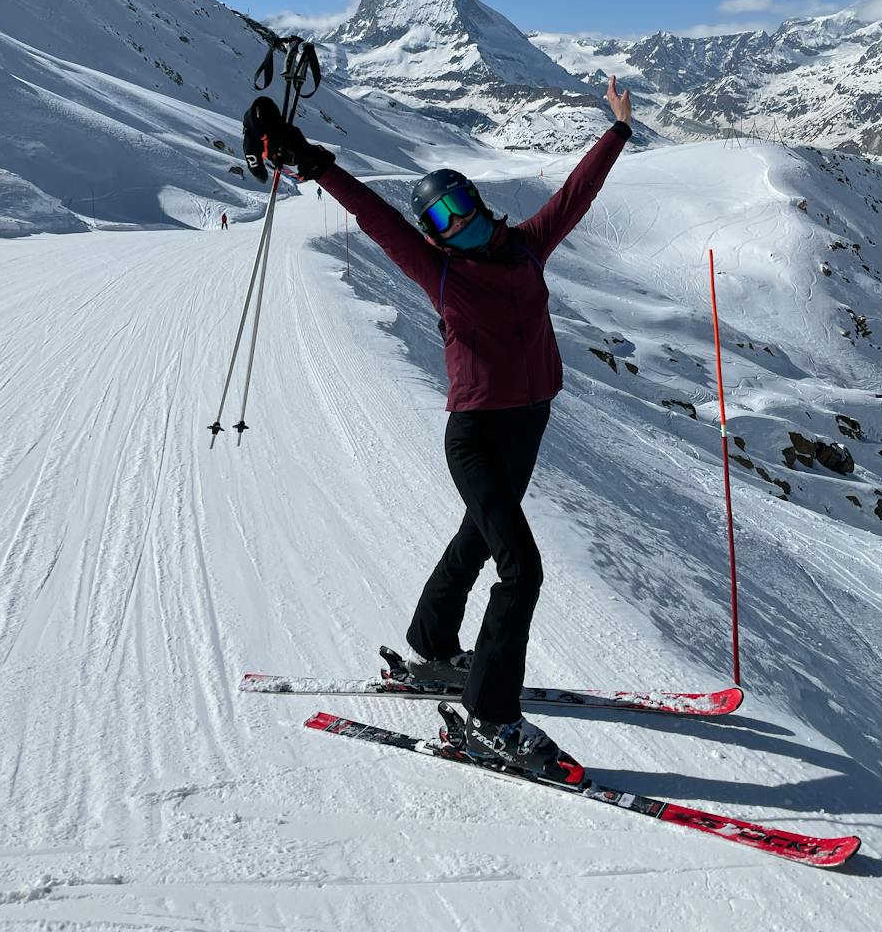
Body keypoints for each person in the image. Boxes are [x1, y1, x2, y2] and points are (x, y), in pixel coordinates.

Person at [242, 77, 633, 776]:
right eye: (441, 220)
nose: (456, 224)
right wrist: (310, 160)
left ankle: (432, 640)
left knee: (478, 538)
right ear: (434, 237)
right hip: (477, 438)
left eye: (460, 207)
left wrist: (618, 131)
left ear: (478, 203)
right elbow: (375, 217)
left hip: (530, 425)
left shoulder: (527, 248)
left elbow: (575, 196)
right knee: (522, 567)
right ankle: (492, 718)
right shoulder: (442, 274)